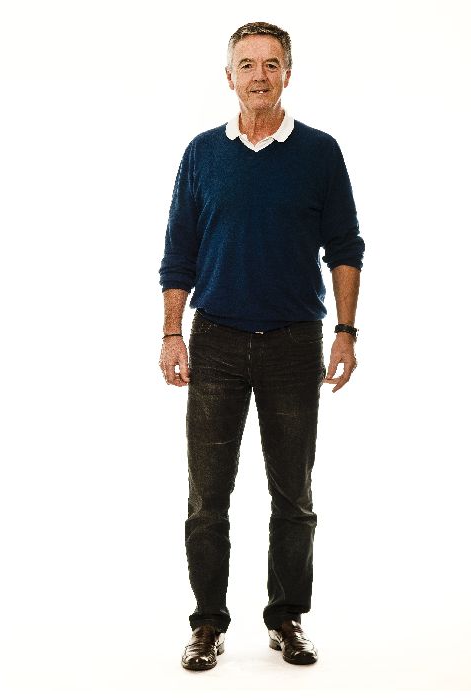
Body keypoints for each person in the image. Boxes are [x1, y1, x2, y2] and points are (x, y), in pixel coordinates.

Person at [158, 21, 365, 671]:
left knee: (293, 495)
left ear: (287, 74)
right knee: (206, 497)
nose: (258, 75)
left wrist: (346, 331)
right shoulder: (202, 154)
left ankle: (286, 618)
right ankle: (207, 623)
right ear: (229, 77)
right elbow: (179, 253)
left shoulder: (320, 153)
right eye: (246, 64)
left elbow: (346, 247)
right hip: (216, 340)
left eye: (271, 64)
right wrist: (171, 332)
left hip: (293, 342)